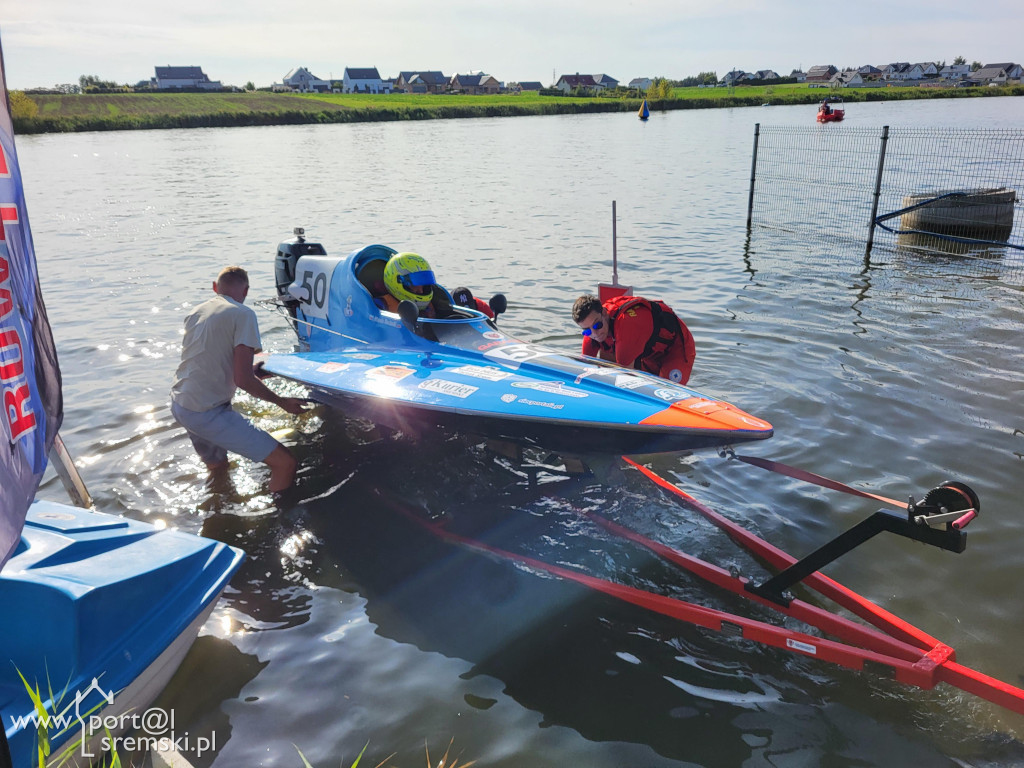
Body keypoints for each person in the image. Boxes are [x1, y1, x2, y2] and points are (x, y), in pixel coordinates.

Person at [170, 266, 308, 493]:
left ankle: (219, 501)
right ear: (246, 290)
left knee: (218, 466)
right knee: (286, 463)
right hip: (208, 411)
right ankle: (278, 521)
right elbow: (243, 380)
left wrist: (251, 369)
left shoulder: (197, 311)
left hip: (181, 403)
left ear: (215, 288)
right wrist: (282, 402)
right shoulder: (243, 314)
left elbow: (206, 357)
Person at [571, 293, 696, 384]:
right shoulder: (592, 329)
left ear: (604, 313)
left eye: (597, 325)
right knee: (604, 365)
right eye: (587, 331)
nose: (595, 333)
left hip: (675, 348)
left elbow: (624, 377)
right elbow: (584, 369)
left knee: (665, 390)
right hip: (647, 352)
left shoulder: (626, 325)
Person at [374, 252, 439, 317]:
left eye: (424, 285)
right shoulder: (380, 306)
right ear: (397, 282)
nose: (421, 291)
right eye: (414, 285)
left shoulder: (430, 305)